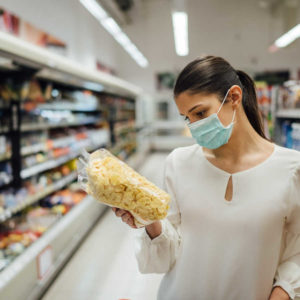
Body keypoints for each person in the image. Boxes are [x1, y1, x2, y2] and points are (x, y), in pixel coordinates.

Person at [112, 56, 300, 300]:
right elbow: (165, 260)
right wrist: (151, 223)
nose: (195, 126)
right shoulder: (178, 163)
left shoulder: (291, 169)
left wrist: (283, 291)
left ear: (234, 97)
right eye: (187, 118)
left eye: (200, 112)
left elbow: (297, 252)